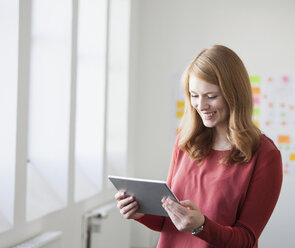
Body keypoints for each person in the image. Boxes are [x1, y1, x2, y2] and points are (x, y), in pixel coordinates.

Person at [115, 45, 283, 247]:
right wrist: (140, 213)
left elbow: (246, 239)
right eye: (194, 95)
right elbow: (168, 221)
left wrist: (201, 226)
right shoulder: (185, 142)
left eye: (211, 96)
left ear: (235, 95)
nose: (201, 105)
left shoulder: (265, 155)